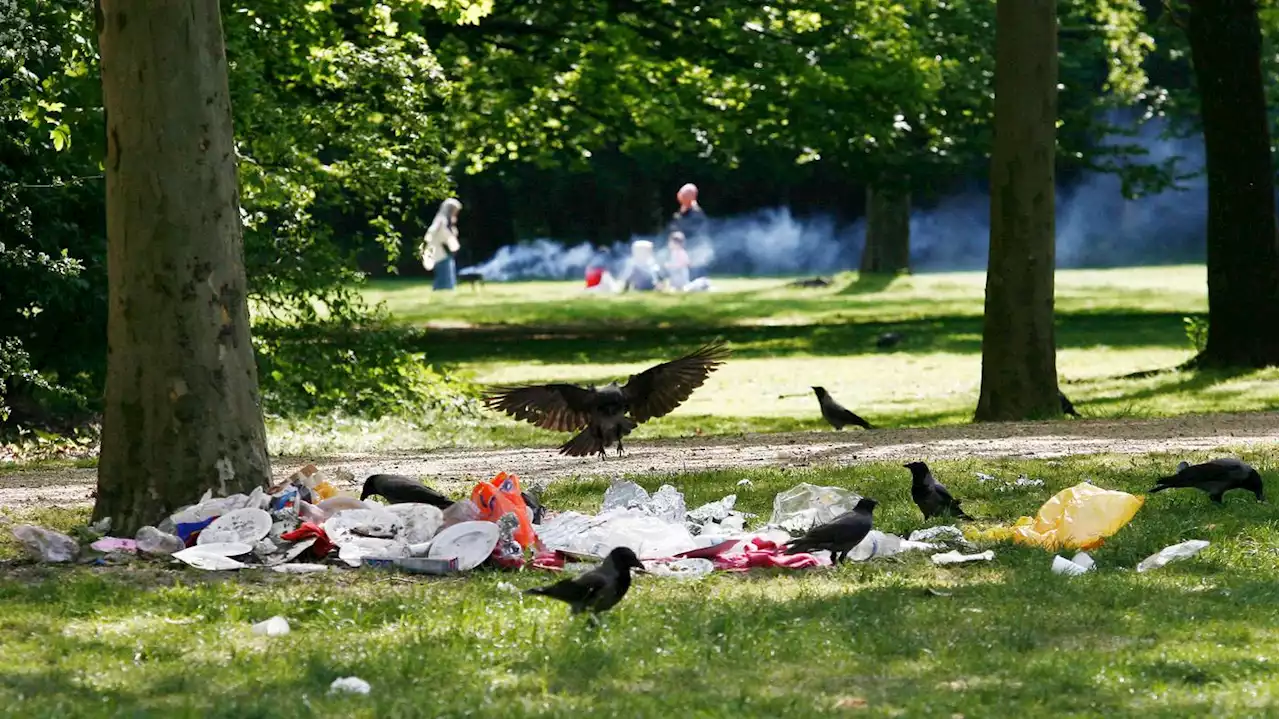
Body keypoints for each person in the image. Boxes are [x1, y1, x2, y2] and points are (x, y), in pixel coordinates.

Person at [421, 198, 462, 291]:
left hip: (444, 250)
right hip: (440, 250)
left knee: (446, 270)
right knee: (444, 272)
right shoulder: (441, 220)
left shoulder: (446, 220)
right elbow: (436, 233)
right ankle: (442, 289)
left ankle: (443, 289)